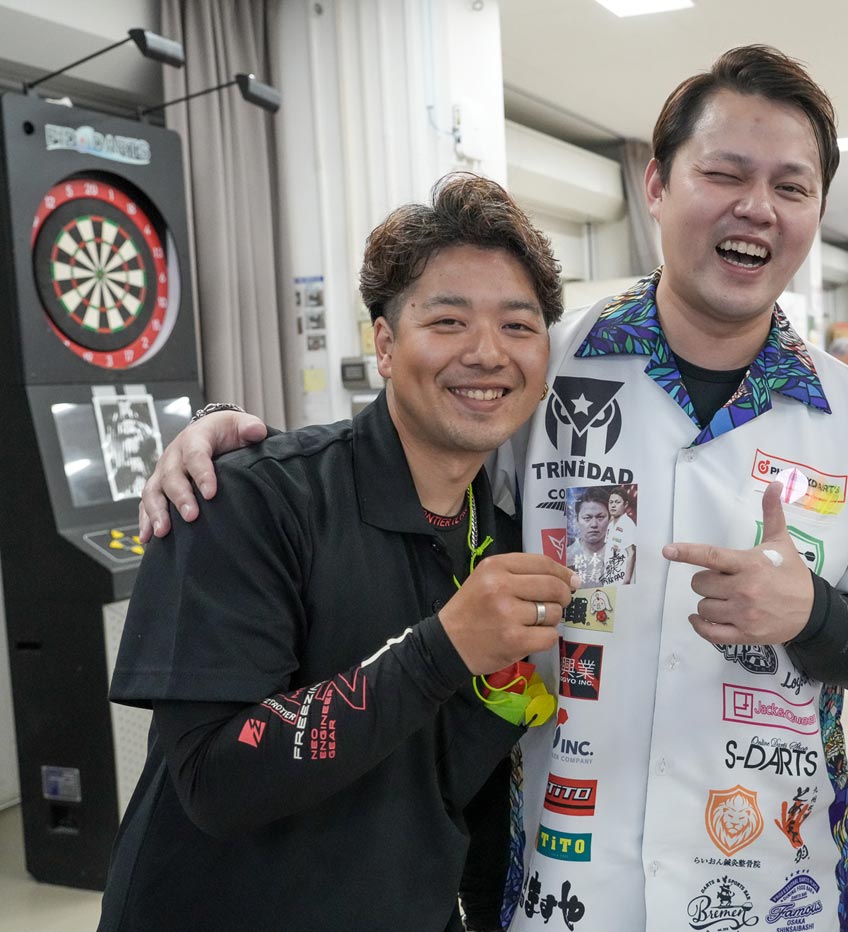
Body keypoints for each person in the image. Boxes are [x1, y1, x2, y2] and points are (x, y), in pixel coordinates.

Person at [136, 46, 848, 931]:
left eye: (791, 185)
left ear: (817, 209)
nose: (757, 206)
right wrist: (227, 435)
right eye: (725, 173)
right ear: (657, 184)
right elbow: (406, 442)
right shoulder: (545, 369)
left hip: (771, 882)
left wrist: (813, 614)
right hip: (559, 881)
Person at [97, 174, 578, 932]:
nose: (488, 353)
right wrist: (441, 651)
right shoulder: (249, 501)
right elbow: (212, 782)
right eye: (448, 321)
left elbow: (480, 795)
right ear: (384, 344)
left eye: (518, 326)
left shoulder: (508, 534)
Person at [565, 486, 630, 586]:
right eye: (587, 518)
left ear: (610, 519)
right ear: (577, 520)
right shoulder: (567, 557)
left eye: (600, 517)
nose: (594, 524)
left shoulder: (624, 556)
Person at [605, 485, 638, 583]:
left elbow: (632, 553)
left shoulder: (628, 524)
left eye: (617, 502)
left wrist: (626, 580)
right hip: (610, 575)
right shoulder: (610, 525)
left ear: (625, 504)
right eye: (611, 502)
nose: (613, 505)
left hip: (621, 578)